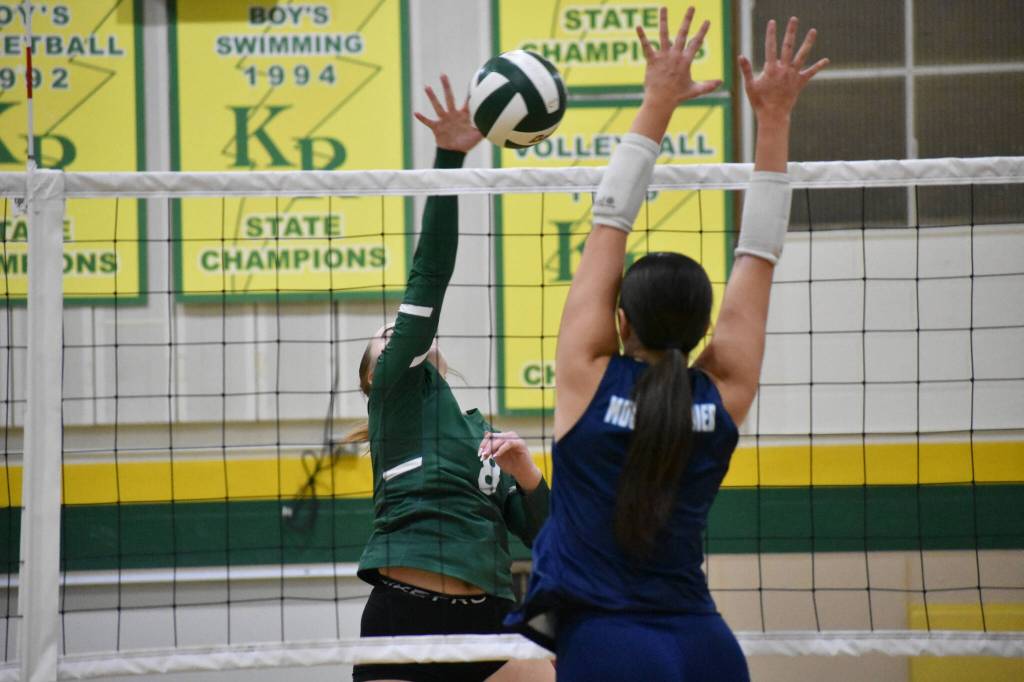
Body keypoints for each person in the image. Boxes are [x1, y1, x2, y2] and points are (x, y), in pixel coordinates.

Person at [505, 8, 828, 681]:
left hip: (610, 646)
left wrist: (657, 102)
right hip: (707, 648)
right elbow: (759, 255)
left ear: (621, 322)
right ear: (703, 330)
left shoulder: (589, 380)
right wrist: (773, 120)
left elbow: (608, 219)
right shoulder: (721, 394)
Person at [352, 75, 554, 682]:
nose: (394, 333)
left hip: (488, 620)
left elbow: (549, 537)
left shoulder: (480, 432)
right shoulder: (394, 394)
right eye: (383, 340)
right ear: (376, 375)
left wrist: (529, 475)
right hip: (402, 619)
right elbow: (430, 274)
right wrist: (450, 159)